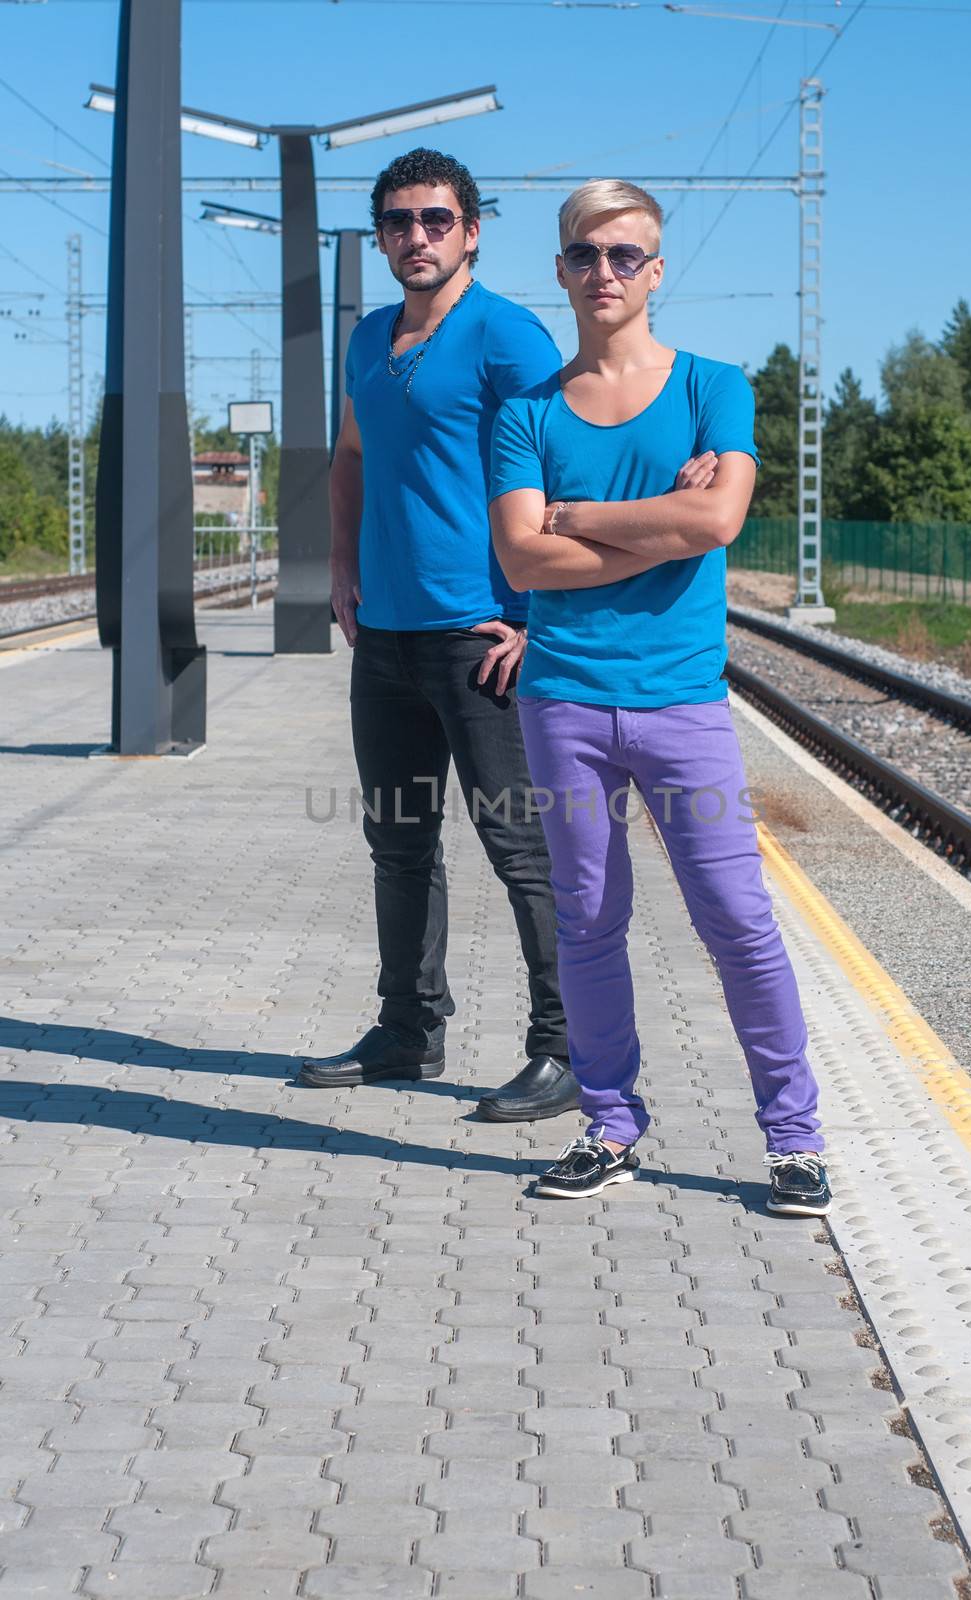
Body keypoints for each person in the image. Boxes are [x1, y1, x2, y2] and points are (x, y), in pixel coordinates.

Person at [487, 178, 831, 1214]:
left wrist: (580, 514)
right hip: (564, 701)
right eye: (586, 254)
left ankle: (795, 1138)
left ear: (655, 269)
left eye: (624, 255)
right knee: (588, 918)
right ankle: (609, 1122)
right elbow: (521, 557)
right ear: (559, 269)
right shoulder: (526, 412)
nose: (604, 272)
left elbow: (717, 524)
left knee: (736, 918)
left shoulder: (714, 386)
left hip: (683, 700)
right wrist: (651, 521)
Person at [298, 147, 580, 1124]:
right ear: (379, 235)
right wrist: (341, 565)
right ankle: (408, 1029)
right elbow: (350, 456)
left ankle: (565, 1045)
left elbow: (566, 465)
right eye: (398, 222)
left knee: (521, 846)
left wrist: (542, 619)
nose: (416, 237)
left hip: (481, 639)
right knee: (397, 841)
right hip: (385, 642)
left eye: (435, 220)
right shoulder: (369, 339)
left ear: (469, 230)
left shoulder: (508, 335)